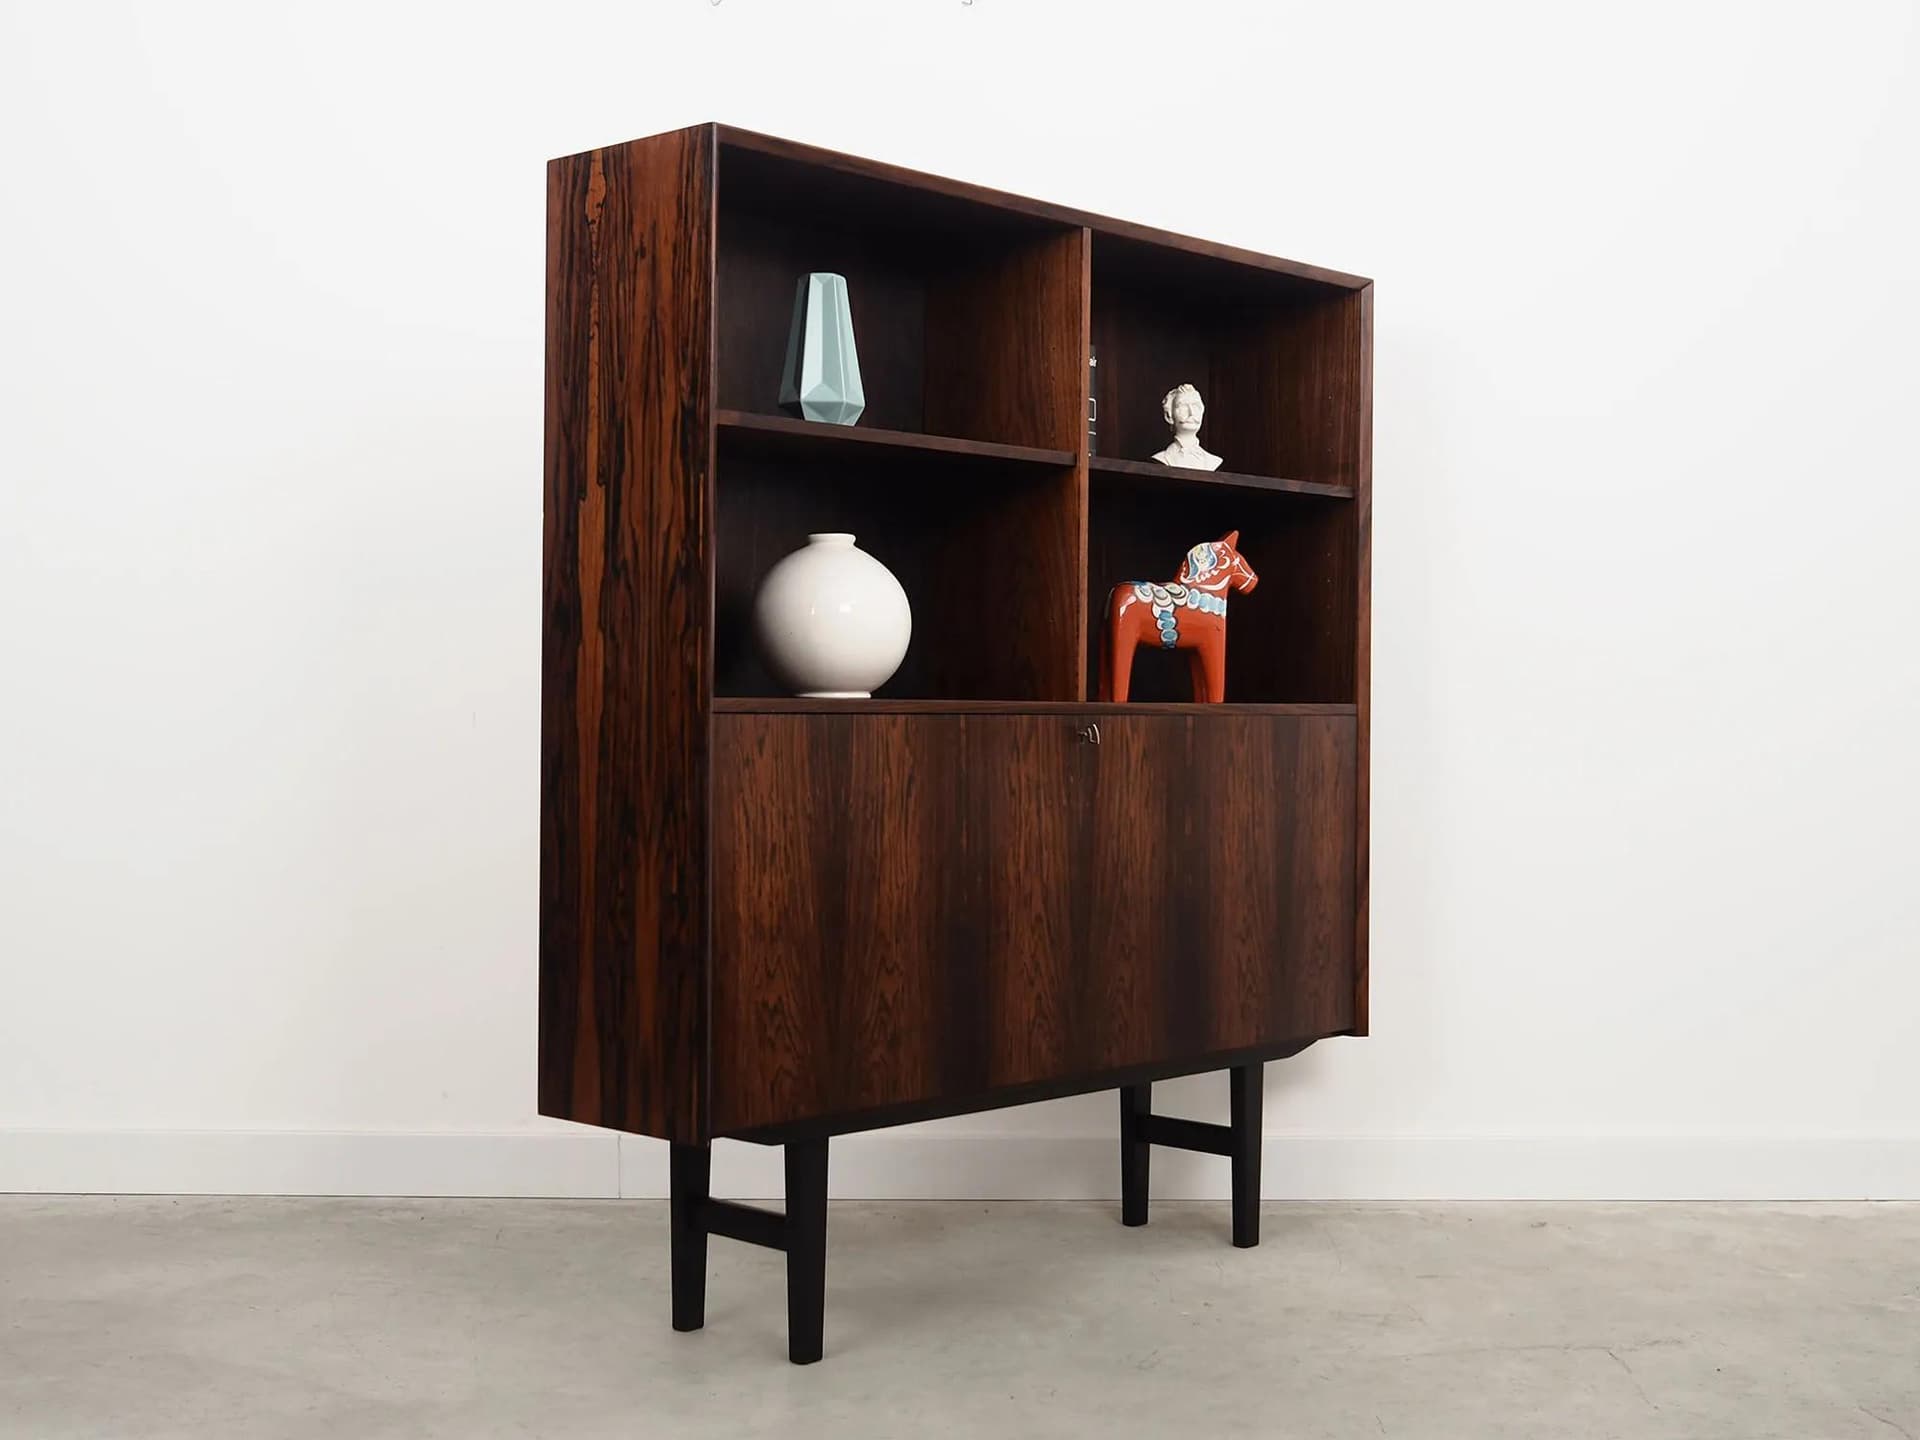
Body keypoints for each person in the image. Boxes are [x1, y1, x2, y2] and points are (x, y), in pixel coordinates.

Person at [1149, 383, 1223, 471]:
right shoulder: (1161, 459)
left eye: (1196, 406)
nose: (1191, 413)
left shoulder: (1214, 462)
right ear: (1169, 416)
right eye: (1183, 406)